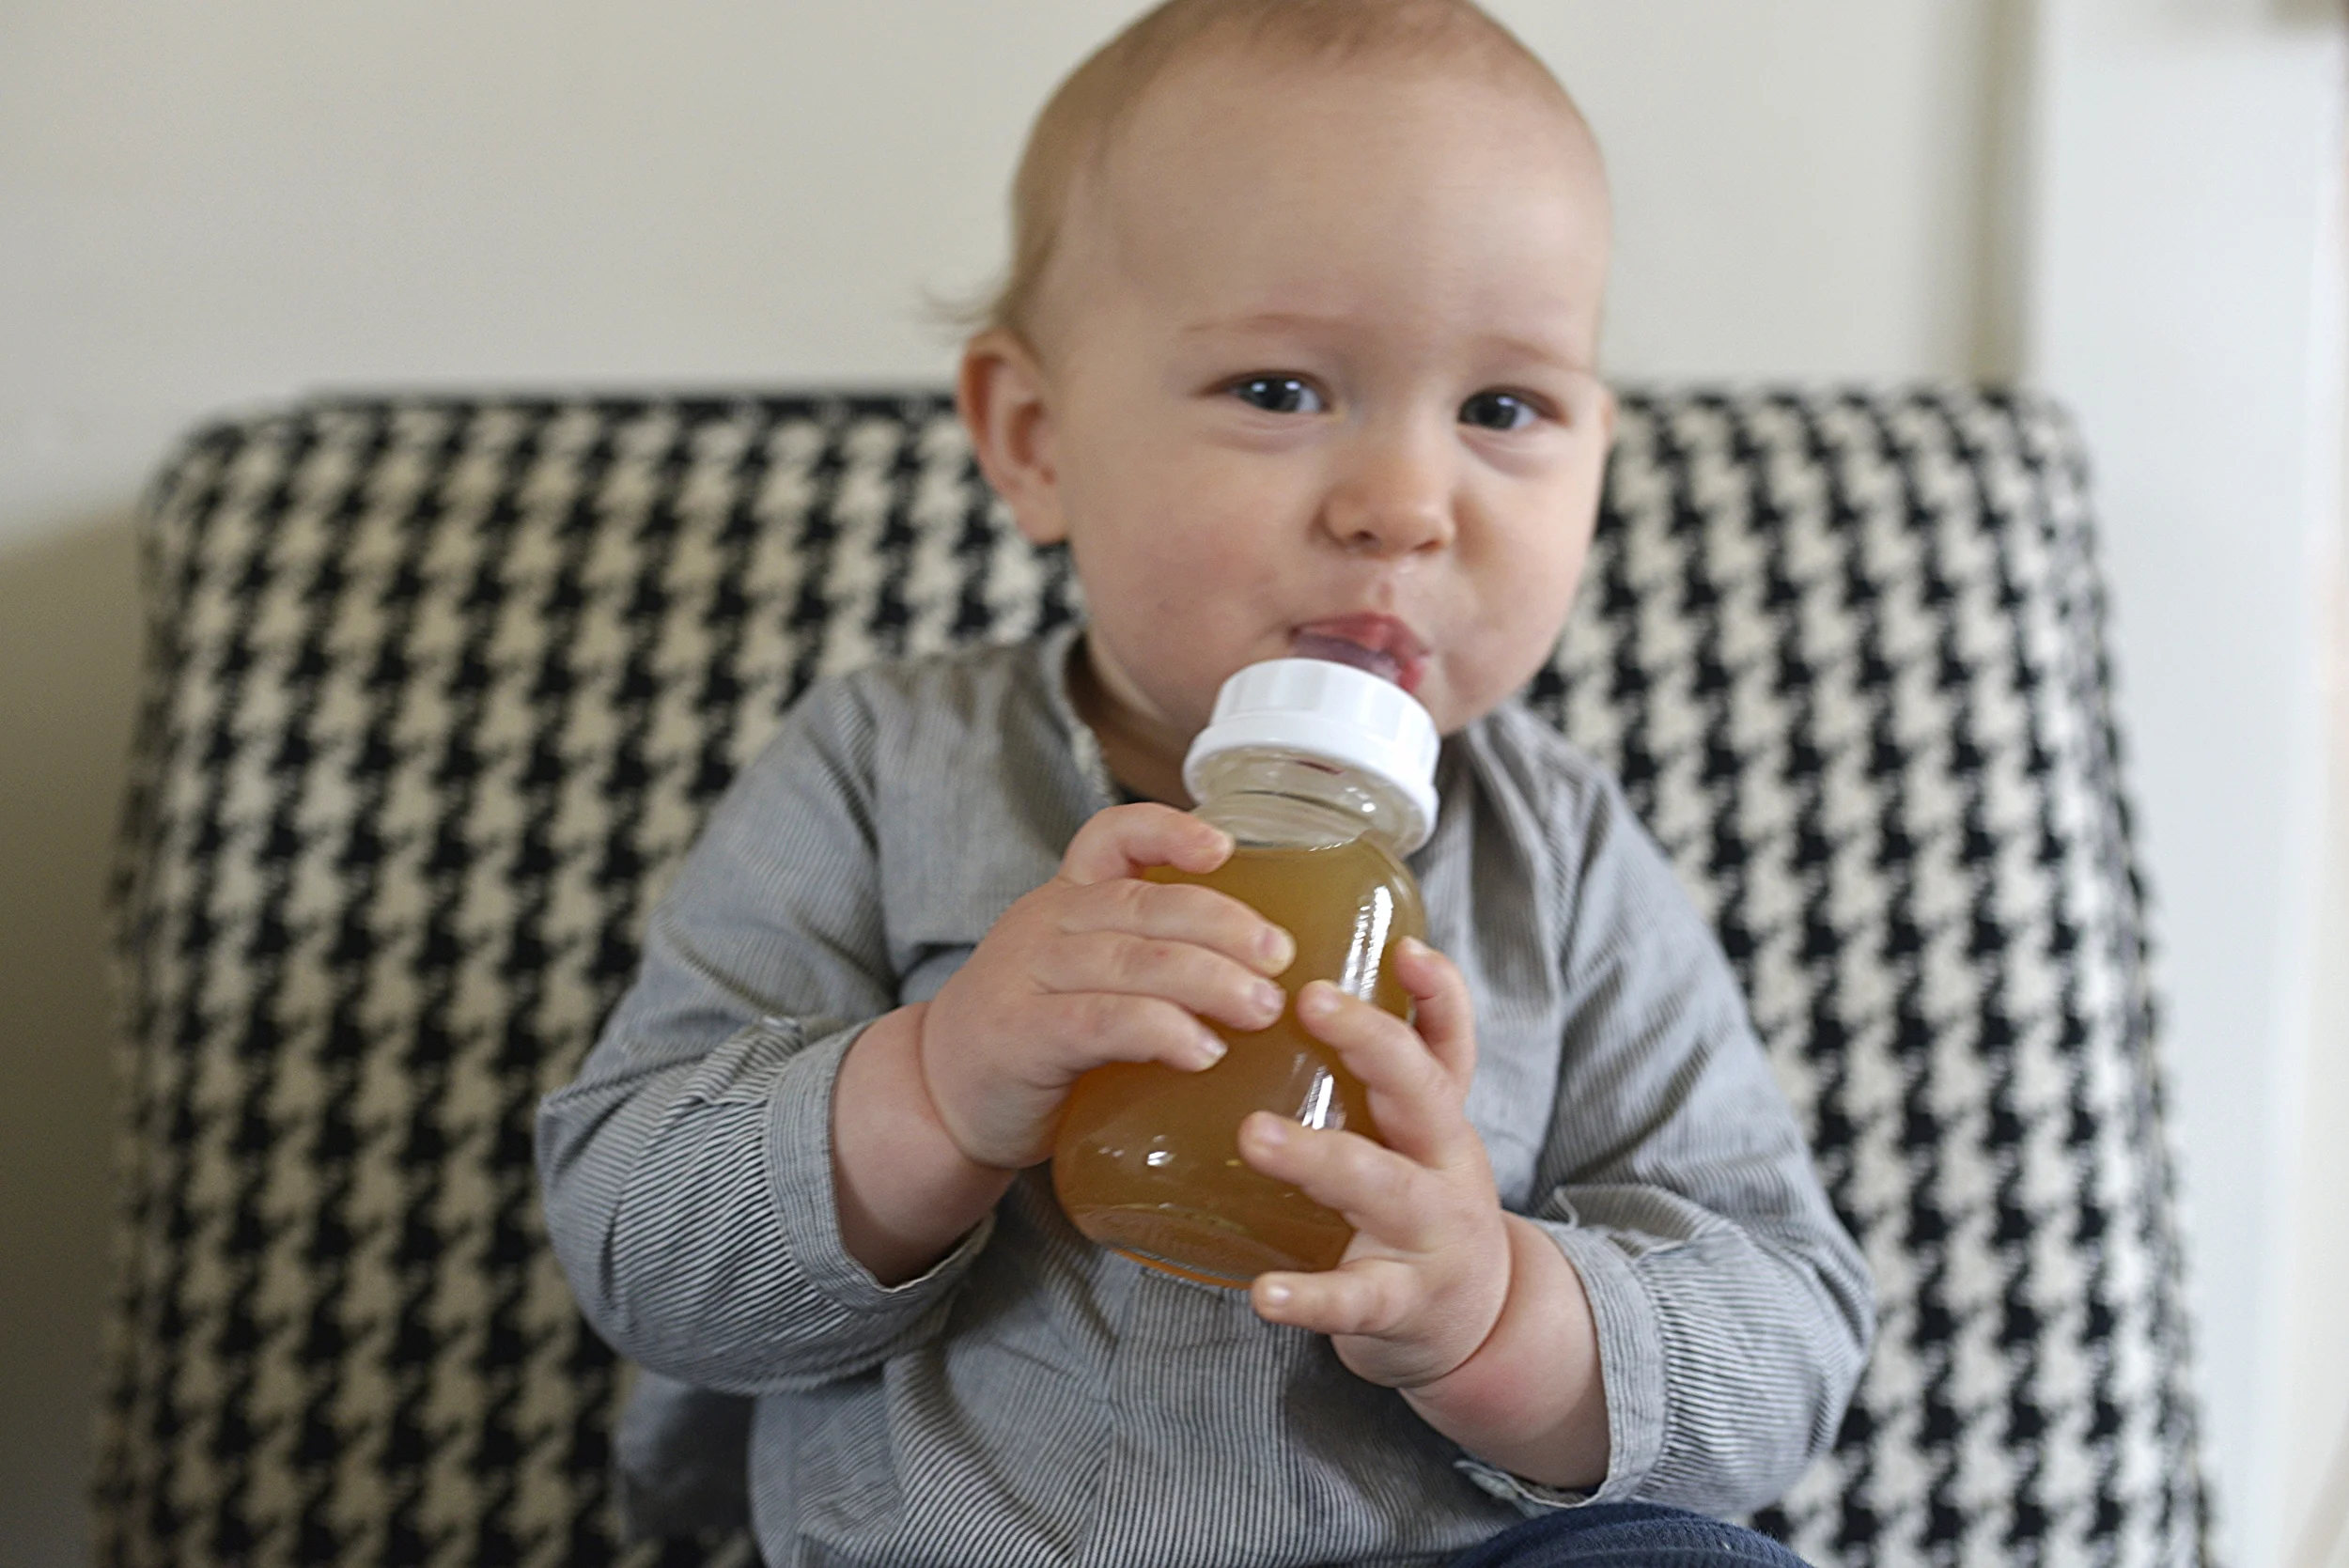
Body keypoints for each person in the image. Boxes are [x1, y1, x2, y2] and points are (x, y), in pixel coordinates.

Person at [537, 3, 1875, 1564]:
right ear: (1035, 440)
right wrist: (940, 1085)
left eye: (1502, 409)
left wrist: (1498, 1311)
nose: (1403, 506)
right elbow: (635, 1241)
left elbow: (1785, 1338)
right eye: (1280, 391)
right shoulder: (888, 765)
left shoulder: (1559, 854)